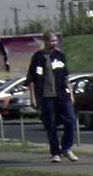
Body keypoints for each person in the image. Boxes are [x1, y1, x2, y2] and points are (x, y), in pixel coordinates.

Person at [28, 32, 77, 163]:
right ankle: (55, 152)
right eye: (52, 41)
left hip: (62, 94)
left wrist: (71, 94)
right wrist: (33, 97)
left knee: (71, 120)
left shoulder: (60, 56)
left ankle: (66, 148)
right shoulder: (38, 57)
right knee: (51, 125)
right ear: (45, 41)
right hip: (46, 96)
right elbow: (31, 79)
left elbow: (66, 77)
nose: (54, 43)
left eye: (56, 41)